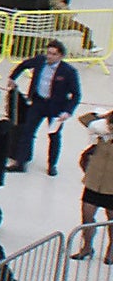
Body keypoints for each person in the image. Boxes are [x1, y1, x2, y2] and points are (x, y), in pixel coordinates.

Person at [9, 40, 82, 174]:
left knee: (54, 135)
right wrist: (12, 78)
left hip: (56, 108)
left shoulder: (69, 72)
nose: (49, 56)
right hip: (38, 102)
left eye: (53, 54)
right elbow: (23, 65)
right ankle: (21, 162)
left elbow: (76, 94)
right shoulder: (39, 61)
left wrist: (68, 111)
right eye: (48, 53)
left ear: (60, 56)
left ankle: (52, 164)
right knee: (27, 131)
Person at [74, 113, 113, 263]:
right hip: (94, 181)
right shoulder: (102, 134)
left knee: (111, 220)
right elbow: (83, 119)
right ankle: (87, 247)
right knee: (87, 215)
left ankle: (111, 250)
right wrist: (102, 117)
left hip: (111, 186)